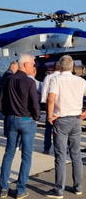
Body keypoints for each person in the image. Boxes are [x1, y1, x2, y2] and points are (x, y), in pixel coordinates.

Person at [45, 55, 86, 198]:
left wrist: (50, 116)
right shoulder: (80, 81)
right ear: (72, 66)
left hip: (61, 120)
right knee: (76, 155)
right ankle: (78, 187)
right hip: (76, 120)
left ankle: (59, 190)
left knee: (60, 156)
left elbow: (51, 98)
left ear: (60, 66)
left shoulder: (56, 79)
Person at [0, 54, 40, 199]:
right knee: (26, 156)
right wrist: (36, 117)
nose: (34, 67)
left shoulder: (9, 79)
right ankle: (20, 190)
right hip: (26, 120)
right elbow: (35, 103)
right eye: (32, 64)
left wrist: (7, 114)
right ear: (25, 65)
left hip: (11, 119)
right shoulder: (30, 82)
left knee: (9, 154)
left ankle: (3, 188)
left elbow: (2, 101)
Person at [41, 61, 61, 154]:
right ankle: (63, 148)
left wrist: (44, 102)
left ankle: (46, 148)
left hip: (50, 105)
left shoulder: (48, 77)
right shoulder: (63, 78)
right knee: (61, 129)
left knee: (48, 128)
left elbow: (44, 92)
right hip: (61, 106)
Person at [0, 61, 19, 137]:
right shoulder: (9, 76)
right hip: (7, 100)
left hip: (4, 99)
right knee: (8, 117)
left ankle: (6, 132)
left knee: (6, 117)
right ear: (13, 67)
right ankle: (7, 133)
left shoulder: (5, 74)